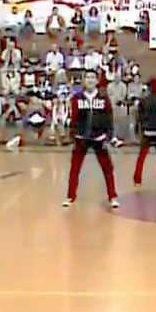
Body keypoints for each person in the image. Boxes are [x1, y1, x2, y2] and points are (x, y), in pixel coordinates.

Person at [63, 70, 119, 209]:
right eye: (87, 77)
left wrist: (109, 136)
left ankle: (112, 197)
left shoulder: (103, 98)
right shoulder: (77, 98)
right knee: (75, 168)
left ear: (97, 81)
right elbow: (73, 118)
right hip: (81, 138)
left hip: (99, 138)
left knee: (107, 168)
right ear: (83, 80)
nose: (90, 80)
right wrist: (73, 134)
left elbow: (108, 118)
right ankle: (70, 196)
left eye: (92, 77)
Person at [133, 77, 156, 188]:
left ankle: (137, 179)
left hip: (147, 131)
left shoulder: (143, 101)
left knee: (142, 156)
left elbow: (139, 117)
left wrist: (139, 129)